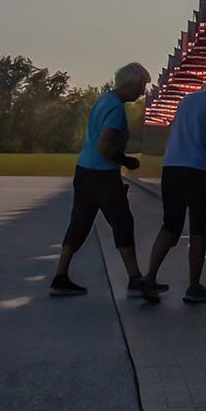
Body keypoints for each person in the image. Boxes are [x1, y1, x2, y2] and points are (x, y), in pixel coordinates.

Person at [50, 62, 160, 302]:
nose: (142, 92)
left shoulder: (104, 100)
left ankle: (61, 275)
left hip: (84, 170)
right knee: (122, 223)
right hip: (103, 176)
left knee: (79, 222)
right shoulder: (116, 110)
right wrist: (126, 161)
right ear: (130, 84)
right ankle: (135, 280)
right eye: (141, 86)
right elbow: (105, 145)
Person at [142, 66, 206, 304]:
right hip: (199, 172)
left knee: (170, 226)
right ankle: (194, 286)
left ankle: (149, 277)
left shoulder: (187, 100)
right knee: (198, 229)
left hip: (171, 168)